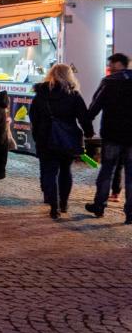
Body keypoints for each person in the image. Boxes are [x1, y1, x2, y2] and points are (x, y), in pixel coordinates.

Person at [29, 63, 94, 219]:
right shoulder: (73, 94)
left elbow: (33, 117)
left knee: (49, 172)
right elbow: (83, 116)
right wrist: (89, 132)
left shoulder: (41, 94)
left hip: (45, 138)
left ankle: (54, 206)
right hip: (67, 138)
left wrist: (37, 135)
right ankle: (63, 203)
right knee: (65, 171)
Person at [86, 52, 132, 221]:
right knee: (131, 175)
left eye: (111, 64)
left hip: (112, 135)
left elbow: (95, 105)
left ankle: (99, 206)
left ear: (119, 64)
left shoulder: (109, 81)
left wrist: (87, 126)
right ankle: (130, 213)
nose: (110, 67)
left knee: (107, 171)